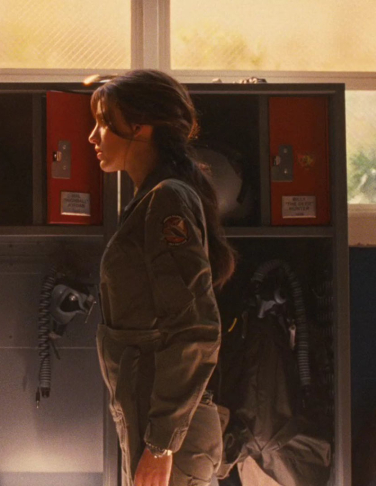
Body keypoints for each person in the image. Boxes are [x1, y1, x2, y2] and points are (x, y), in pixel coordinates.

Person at [88, 70, 237, 486]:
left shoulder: (167, 198)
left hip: (169, 432)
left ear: (140, 126)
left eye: (103, 122)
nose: (92, 136)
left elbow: (196, 328)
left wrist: (161, 445)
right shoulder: (152, 199)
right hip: (155, 419)